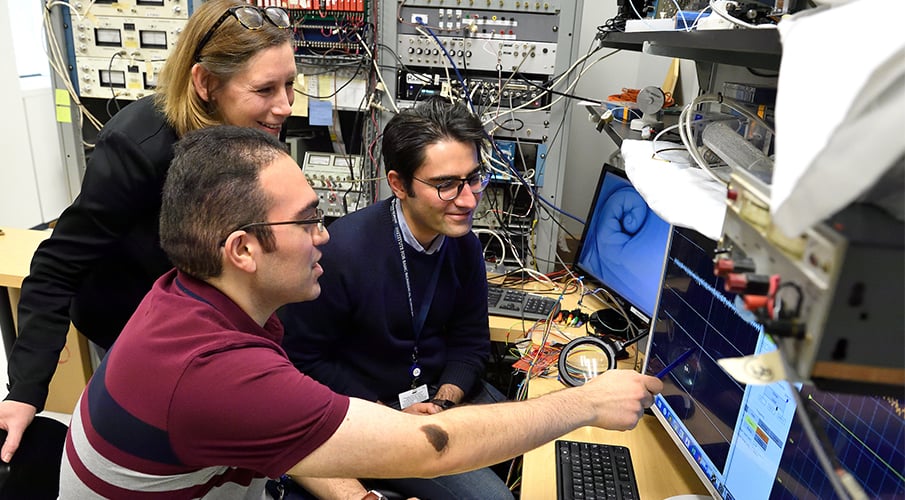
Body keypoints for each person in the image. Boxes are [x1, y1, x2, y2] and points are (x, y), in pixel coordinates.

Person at [59, 124, 664, 498]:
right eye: (306, 222)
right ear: (241, 250)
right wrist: (587, 401)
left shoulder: (191, 299)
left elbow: (278, 434)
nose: (324, 236)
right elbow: (435, 447)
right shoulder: (215, 371)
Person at [0, 0, 297, 464]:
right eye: (265, 89)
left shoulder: (251, 138)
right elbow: (58, 266)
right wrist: (25, 391)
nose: (285, 106)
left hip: (212, 319)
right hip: (132, 323)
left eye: (290, 84)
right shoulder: (137, 147)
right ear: (205, 83)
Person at [278, 97, 511, 498]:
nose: (470, 199)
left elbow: (470, 345)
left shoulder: (465, 245)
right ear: (399, 184)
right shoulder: (340, 253)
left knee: (542, 443)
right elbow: (303, 363)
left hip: (438, 400)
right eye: (446, 185)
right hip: (366, 413)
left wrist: (442, 401)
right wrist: (388, 415)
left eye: (474, 178)